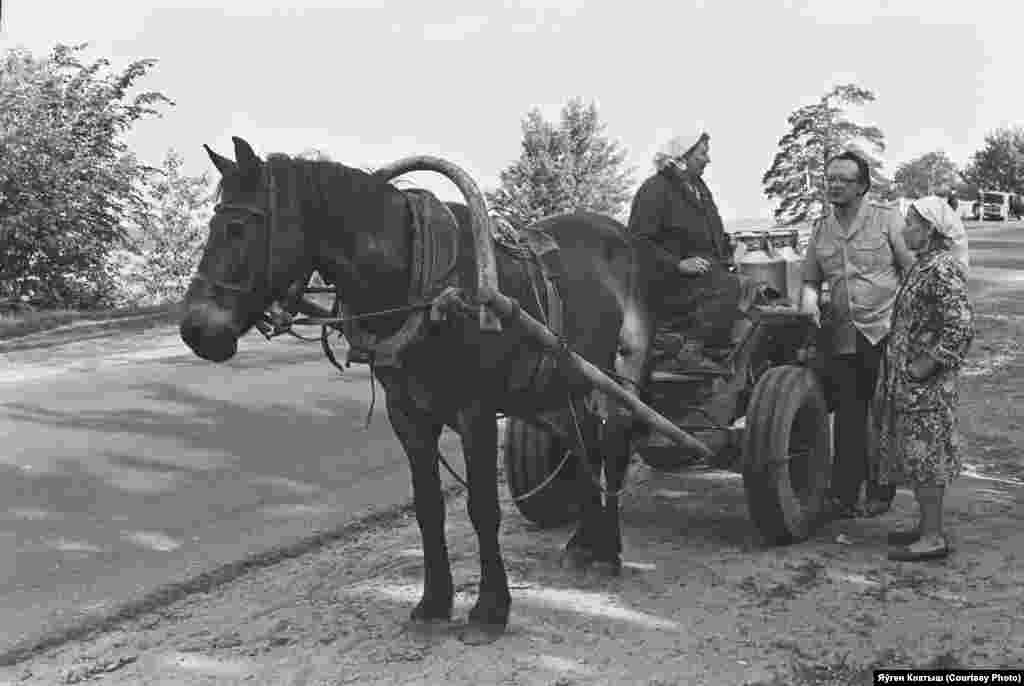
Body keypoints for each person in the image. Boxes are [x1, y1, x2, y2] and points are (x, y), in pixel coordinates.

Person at [801, 151, 916, 519]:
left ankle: (881, 491)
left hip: (885, 330)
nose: (834, 185)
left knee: (882, 415)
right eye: (830, 179)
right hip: (843, 334)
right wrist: (808, 306)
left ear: (862, 186)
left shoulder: (887, 219)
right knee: (849, 415)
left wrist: (912, 325)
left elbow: (912, 270)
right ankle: (844, 495)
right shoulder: (821, 228)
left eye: (843, 180)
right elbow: (810, 280)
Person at [870, 196, 975, 561]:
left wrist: (924, 367)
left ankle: (932, 537)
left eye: (911, 224)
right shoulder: (925, 265)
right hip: (913, 385)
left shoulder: (941, 269)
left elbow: (960, 327)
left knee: (927, 458)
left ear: (929, 231)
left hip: (926, 388)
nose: (904, 230)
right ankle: (927, 526)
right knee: (917, 457)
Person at [627, 132, 742, 371]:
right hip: (668, 282)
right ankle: (689, 351)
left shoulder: (698, 188)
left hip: (703, 276)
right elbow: (638, 243)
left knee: (749, 287)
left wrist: (728, 249)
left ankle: (720, 349)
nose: (708, 159)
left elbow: (709, 234)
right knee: (727, 285)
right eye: (702, 154)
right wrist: (677, 264)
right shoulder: (655, 190)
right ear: (682, 157)